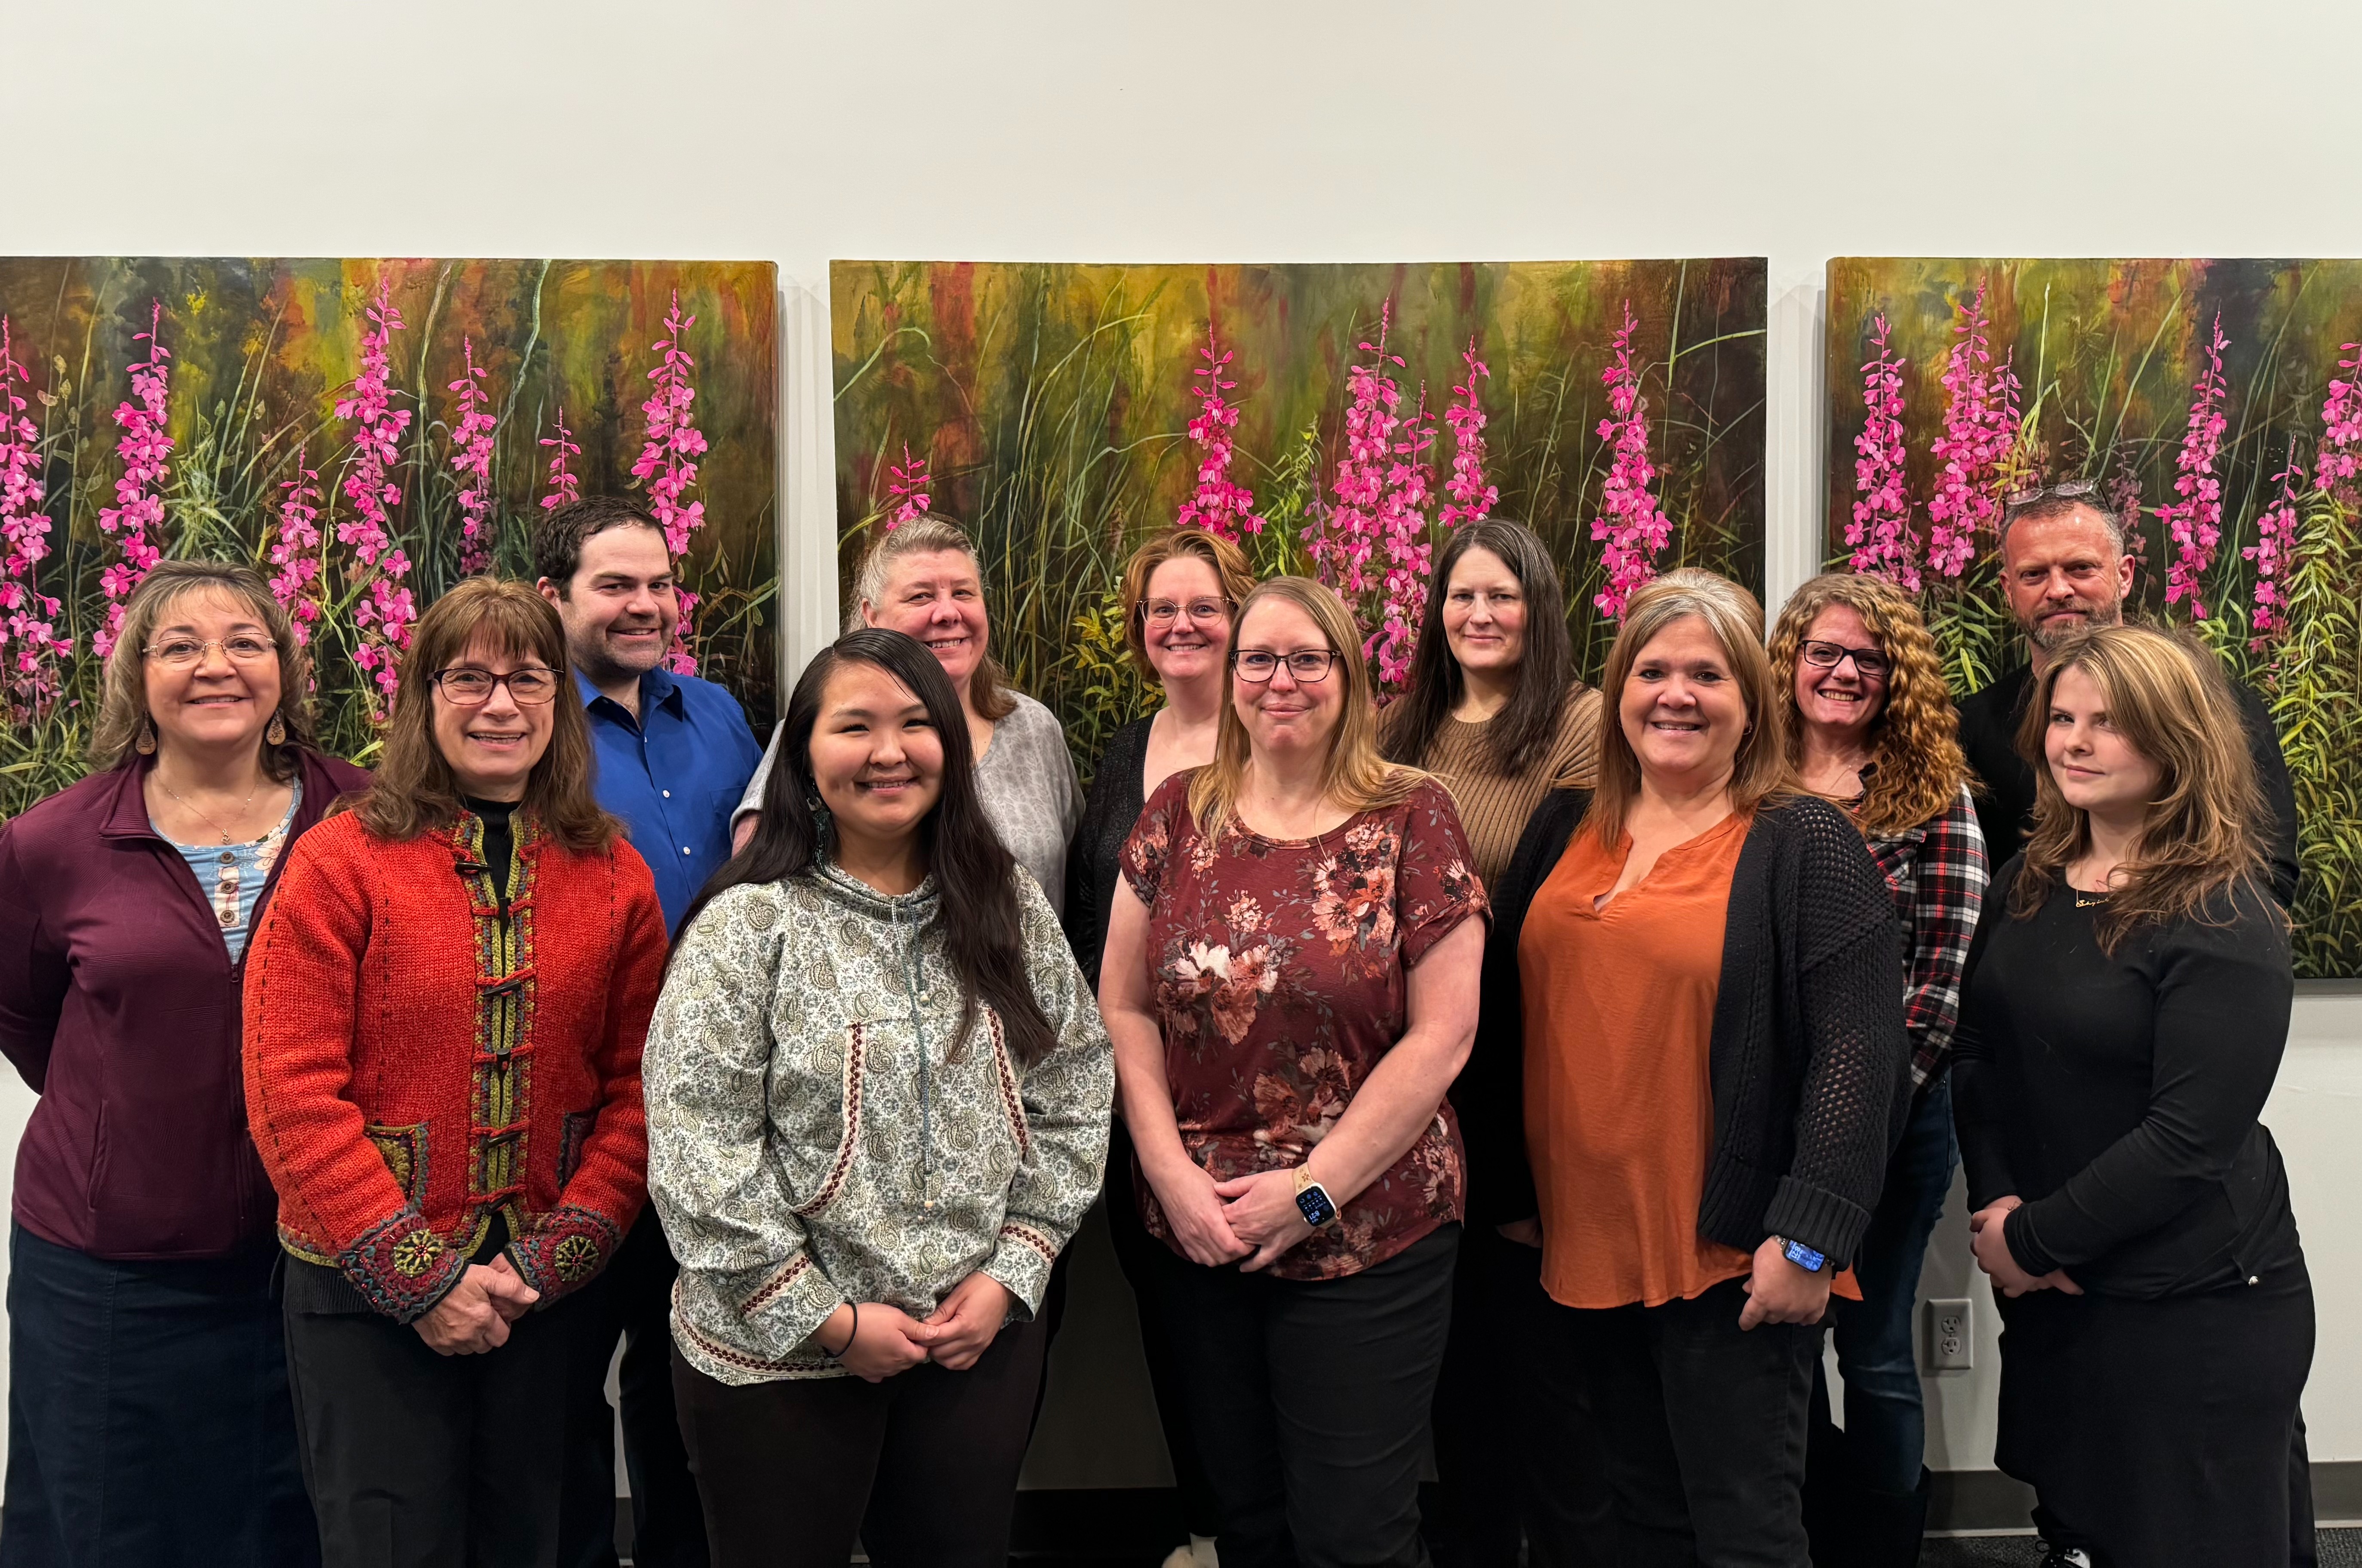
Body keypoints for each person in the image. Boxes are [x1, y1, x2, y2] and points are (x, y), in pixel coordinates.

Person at [646, 627, 1111, 1568]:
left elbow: (1073, 1084)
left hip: (969, 1335)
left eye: (913, 724)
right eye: (854, 725)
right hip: (779, 1352)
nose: (888, 751)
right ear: (803, 754)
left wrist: (1013, 1269)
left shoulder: (1005, 905)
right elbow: (700, 1146)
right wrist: (826, 1318)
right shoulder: (750, 923)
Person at [1470, 568, 1907, 1566]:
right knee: (1635, 1513)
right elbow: (1504, 1016)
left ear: (1750, 699)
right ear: (1618, 688)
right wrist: (1508, 1191)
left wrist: (1807, 1241)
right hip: (1581, 1239)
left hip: (1728, 1248)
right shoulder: (1562, 824)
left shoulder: (1802, 839)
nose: (1676, 692)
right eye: (1653, 668)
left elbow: (1858, 1053)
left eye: (1706, 673)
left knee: (1742, 1527)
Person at [244, 577, 669, 1567]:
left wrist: (551, 1252)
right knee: (388, 1540)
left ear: (557, 703)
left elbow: (642, 1087)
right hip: (362, 1300)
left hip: (542, 1299)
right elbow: (289, 1086)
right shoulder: (340, 862)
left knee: (543, 1537)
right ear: (421, 697)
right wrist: (418, 1276)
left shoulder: (614, 874)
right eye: (467, 676)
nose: (499, 703)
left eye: (526, 678)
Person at [1100, 575, 1489, 1568]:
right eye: (1259, 658)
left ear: (1348, 678)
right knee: (1248, 1524)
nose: (1281, 680)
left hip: (1366, 1232)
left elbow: (1441, 1036)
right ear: (1228, 678)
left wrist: (1309, 1196)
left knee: (1353, 1533)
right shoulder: (1175, 812)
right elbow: (1123, 1006)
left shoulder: (1412, 814)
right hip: (1201, 1227)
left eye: (1306, 658)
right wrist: (1169, 1178)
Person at [0, 561, 366, 1568]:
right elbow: (28, 1017)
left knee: (304, 1521)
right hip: (113, 1269)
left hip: (323, 1256)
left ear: (285, 670)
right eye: (181, 646)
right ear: (137, 675)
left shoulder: (369, 817)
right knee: (117, 1523)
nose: (217, 665)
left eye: (246, 642)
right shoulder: (51, 843)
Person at [1953, 624, 2312, 1568]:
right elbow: (1979, 1054)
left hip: (2188, 1296)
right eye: (2062, 718)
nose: (2072, 741)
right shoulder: (2025, 881)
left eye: (2106, 723)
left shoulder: (2224, 909)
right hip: (2058, 1279)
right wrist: (1998, 1214)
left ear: (2174, 739)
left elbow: (2189, 1139)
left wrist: (2030, 1241)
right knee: (2084, 1523)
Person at [536, 495, 763, 1568]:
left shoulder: (719, 714)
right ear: (555, 598)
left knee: (692, 1381)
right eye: (614, 584)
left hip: (714, 1111)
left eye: (658, 583)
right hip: (582, 1113)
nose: (643, 604)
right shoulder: (525, 722)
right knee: (563, 1381)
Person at [1378, 518, 1608, 1568]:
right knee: (1451, 1339)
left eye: (1501, 596)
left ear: (1538, 608)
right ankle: (1473, 1535)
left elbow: (1551, 897)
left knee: (1535, 1344)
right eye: (1461, 595)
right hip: (1411, 1066)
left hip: (1522, 1060)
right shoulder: (1395, 727)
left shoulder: (1578, 723)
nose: (1478, 615)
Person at [1770, 573, 1987, 1564]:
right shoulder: (1746, 783)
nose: (1844, 671)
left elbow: (1941, 981)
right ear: (1788, 660)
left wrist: (1852, 1119)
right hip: (1765, 1120)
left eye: (1868, 657)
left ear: (1895, 677)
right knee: (1778, 1342)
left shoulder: (1930, 798)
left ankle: (1882, 1547)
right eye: (1824, 650)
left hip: (1897, 1123)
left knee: (1874, 1348)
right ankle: (1807, 1529)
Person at [1063, 525, 1255, 1568]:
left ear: (1242, 619)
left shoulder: (1278, 739)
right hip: (1136, 1106)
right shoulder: (1116, 753)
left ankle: (1267, 1531)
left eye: (1203, 607)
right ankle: (1208, 1527)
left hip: (1259, 1111)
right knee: (1181, 1337)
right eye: (1160, 610)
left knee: (1261, 1338)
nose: (1180, 625)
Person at [1956, 481, 2297, 903]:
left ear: (2123, 576)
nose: (2058, 589)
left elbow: (2269, 870)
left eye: (2080, 568)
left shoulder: (2218, 705)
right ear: (2008, 591)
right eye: (2034, 574)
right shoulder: (1971, 728)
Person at [737, 513, 1081, 914]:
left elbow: (1078, 888)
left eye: (964, 593)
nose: (948, 613)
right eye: (921, 597)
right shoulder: (823, 733)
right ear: (872, 616)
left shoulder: (1033, 727)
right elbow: (759, 894)